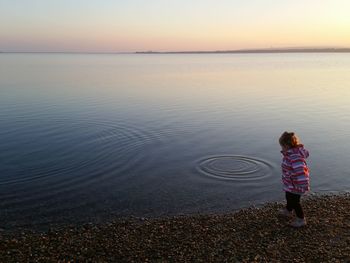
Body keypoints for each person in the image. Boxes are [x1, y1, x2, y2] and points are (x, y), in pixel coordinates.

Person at [278, 131, 310, 227]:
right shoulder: (289, 154)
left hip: (297, 185)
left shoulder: (295, 157)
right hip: (290, 183)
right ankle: (288, 210)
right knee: (288, 196)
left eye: (282, 146)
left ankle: (301, 219)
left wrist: (301, 185)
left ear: (287, 145)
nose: (281, 148)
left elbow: (301, 172)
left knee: (295, 202)